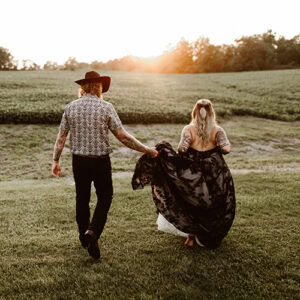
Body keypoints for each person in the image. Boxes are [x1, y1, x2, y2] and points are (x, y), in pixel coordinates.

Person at [52, 71, 157, 260]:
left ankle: (84, 237)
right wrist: (146, 150)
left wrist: (55, 160)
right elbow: (123, 137)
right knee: (105, 196)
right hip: (100, 161)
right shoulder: (106, 107)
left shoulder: (70, 107)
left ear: (83, 87)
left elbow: (61, 138)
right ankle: (92, 233)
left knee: (82, 198)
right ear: (99, 87)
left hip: (79, 160)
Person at [132, 99, 236, 249]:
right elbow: (226, 149)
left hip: (192, 171)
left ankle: (192, 236)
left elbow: (182, 149)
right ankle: (206, 234)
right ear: (211, 112)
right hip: (213, 171)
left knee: (190, 200)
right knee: (213, 200)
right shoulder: (218, 130)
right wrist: (216, 145)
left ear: (194, 111)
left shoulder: (188, 129)